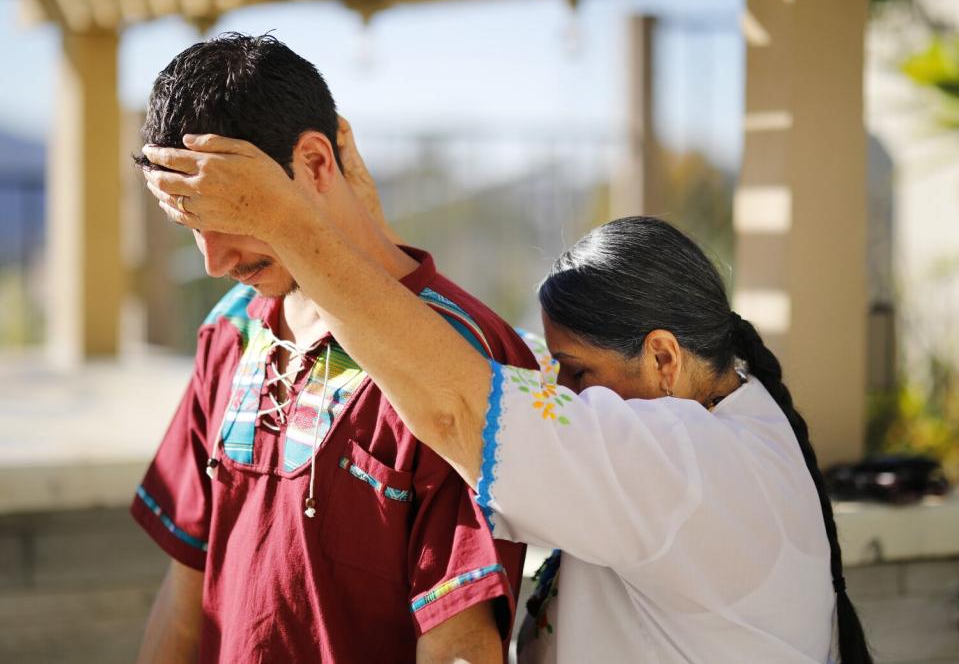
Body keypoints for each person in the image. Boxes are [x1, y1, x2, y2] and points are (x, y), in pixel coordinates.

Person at [141, 126, 874, 664]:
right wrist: (364, 239)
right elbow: (496, 384)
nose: (557, 389)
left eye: (575, 372)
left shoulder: (684, 467)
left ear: (661, 357)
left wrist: (289, 225)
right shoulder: (721, 415)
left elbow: (459, 406)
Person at [130, 33, 537, 664]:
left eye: (232, 211)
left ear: (318, 163)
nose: (213, 263)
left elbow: (460, 642)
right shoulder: (232, 329)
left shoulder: (463, 358)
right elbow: (188, 590)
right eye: (190, 227)